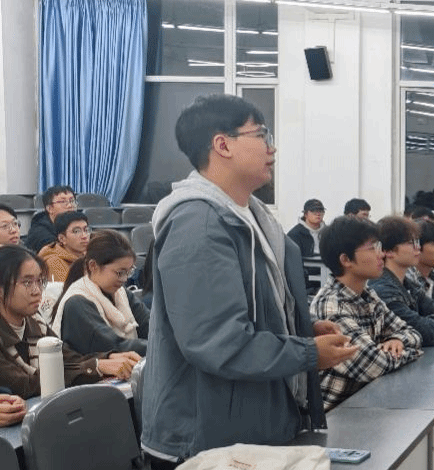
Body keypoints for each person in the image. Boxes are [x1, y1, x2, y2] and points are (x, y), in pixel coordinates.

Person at [141, 94, 357, 469]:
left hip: (249, 430)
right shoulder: (199, 225)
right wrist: (307, 353)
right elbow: (218, 342)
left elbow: (254, 307)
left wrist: (300, 328)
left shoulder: (252, 217)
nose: (272, 148)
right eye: (261, 135)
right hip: (205, 443)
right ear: (222, 145)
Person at [0, 245, 137, 399]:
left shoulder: (34, 321)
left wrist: (108, 358)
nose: (37, 291)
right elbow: (23, 386)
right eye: (27, 283)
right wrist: (96, 367)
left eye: (40, 281)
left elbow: (68, 359)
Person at [310, 216, 423, 410]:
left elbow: (413, 333)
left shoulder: (368, 295)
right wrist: (411, 352)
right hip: (336, 414)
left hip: (369, 402)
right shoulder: (332, 306)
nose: (381, 254)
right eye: (373, 248)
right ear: (346, 260)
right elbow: (374, 366)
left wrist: (397, 340)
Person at [52, 231, 150, 356]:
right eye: (120, 273)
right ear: (93, 266)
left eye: (129, 272)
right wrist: (157, 346)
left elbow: (151, 326)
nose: (125, 279)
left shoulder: (121, 294)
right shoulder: (77, 303)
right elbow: (114, 346)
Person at [370, 216, 434, 346]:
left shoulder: (407, 284)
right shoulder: (384, 289)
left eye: (417, 242)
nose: (418, 248)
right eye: (411, 243)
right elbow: (427, 333)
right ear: (388, 251)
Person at [37, 210, 90, 283]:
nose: (84, 236)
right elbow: (68, 289)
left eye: (86, 230)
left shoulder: (89, 256)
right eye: (76, 231)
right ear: (62, 238)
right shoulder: (54, 262)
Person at [23, 185, 77, 252]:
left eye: (72, 201)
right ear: (49, 208)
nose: (70, 205)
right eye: (63, 202)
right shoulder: (40, 231)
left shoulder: (78, 225)